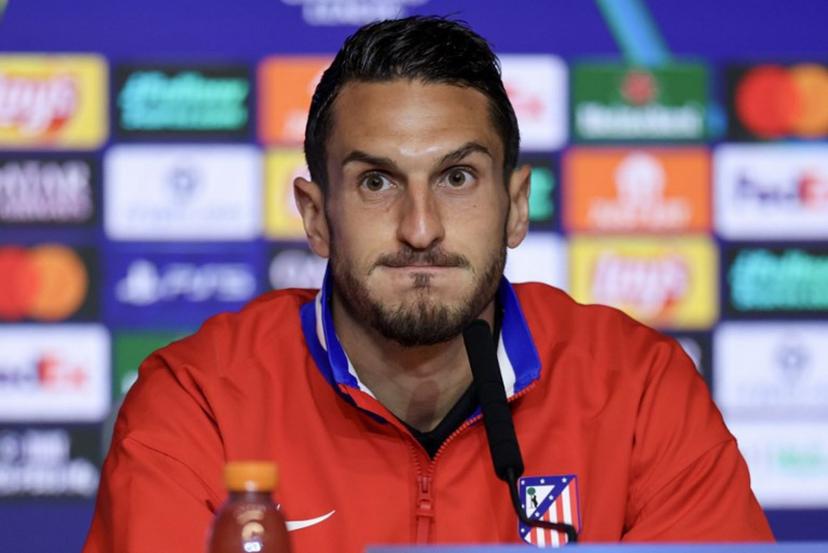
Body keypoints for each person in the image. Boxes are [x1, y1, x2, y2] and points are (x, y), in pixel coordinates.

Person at [83, 16, 773, 552]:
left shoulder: (639, 389)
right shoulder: (200, 403)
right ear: (317, 216)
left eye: (458, 177)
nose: (420, 228)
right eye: (377, 182)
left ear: (518, 205)